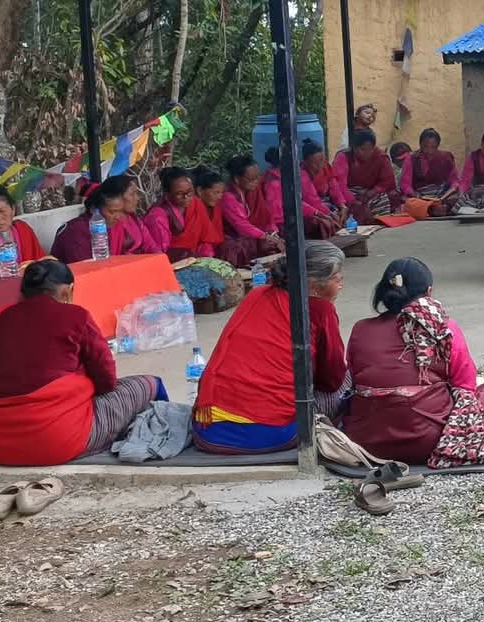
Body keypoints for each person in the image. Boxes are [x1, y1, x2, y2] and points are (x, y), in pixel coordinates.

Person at [342, 259, 484, 468]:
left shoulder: (360, 329)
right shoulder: (443, 327)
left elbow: (355, 376)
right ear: (429, 292)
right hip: (430, 440)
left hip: (366, 441)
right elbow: (465, 385)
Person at [0, 260, 165, 466]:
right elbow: (106, 379)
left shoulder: (0, 317)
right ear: (67, 291)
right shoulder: (76, 316)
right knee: (149, 384)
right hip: (56, 441)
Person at [193, 241, 350, 453]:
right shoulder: (320, 310)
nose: (341, 286)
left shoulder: (257, 294)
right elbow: (332, 380)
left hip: (208, 430)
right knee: (348, 381)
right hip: (270, 433)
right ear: (314, 285)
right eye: (337, 279)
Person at [51, 177, 156, 262]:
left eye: (120, 211)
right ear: (93, 209)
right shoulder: (77, 231)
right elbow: (85, 269)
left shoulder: (115, 224)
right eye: (112, 212)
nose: (117, 216)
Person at [221, 155, 285, 256]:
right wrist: (268, 237)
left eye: (257, 177)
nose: (256, 181)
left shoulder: (252, 192)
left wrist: (273, 234)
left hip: (252, 236)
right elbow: (242, 226)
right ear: (237, 179)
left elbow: (265, 216)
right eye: (251, 179)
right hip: (234, 241)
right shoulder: (227, 197)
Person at [144, 166, 211, 259]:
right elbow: (159, 252)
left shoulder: (196, 204)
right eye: (179, 193)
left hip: (195, 257)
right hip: (171, 261)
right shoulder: (157, 216)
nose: (186, 197)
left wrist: (206, 257)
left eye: (190, 191)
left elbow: (206, 238)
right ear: (167, 194)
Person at [336, 129, 400, 222]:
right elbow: (340, 185)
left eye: (370, 149)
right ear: (354, 148)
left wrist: (371, 192)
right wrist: (354, 202)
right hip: (350, 193)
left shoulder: (381, 157)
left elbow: (387, 182)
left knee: (384, 198)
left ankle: (377, 219)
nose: (366, 153)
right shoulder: (343, 156)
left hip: (371, 193)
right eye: (362, 149)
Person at [399, 129, 462, 214]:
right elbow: (406, 185)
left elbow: (455, 182)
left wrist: (442, 198)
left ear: (438, 145)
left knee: (459, 197)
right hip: (419, 196)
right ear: (420, 145)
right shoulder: (411, 158)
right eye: (425, 147)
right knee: (407, 202)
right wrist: (417, 196)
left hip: (442, 196)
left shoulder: (446, 157)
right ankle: (433, 210)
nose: (429, 151)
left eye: (433, 147)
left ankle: (439, 209)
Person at [298, 142, 352, 237]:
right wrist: (329, 214)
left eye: (321, 161)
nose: (320, 166)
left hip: (327, 205)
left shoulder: (326, 167)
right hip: (313, 208)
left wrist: (342, 206)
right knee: (319, 222)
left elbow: (334, 188)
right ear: (305, 162)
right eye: (315, 163)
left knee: (346, 212)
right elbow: (312, 201)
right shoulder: (302, 174)